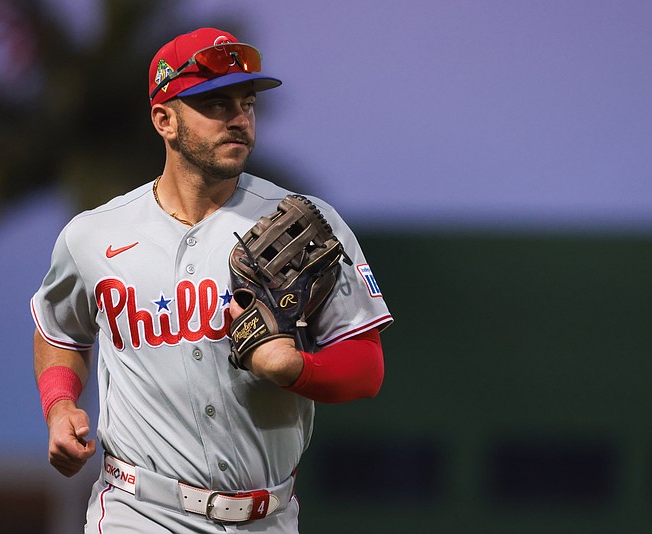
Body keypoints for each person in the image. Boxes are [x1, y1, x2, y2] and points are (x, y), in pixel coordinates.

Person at [31, 27, 393, 533]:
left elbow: (366, 366)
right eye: (216, 104)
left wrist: (293, 368)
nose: (239, 119)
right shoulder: (94, 236)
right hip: (139, 512)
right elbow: (59, 331)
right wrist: (60, 405)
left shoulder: (303, 225)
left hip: (266, 516)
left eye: (246, 103)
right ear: (165, 120)